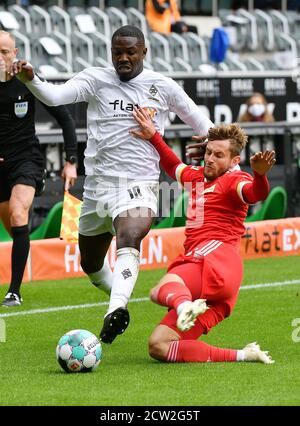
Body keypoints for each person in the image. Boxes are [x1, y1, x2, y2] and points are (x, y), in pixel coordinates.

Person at [10, 25, 213, 343]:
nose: (124, 58)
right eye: (117, 52)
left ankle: (114, 309)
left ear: (144, 52)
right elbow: (55, 95)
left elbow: (203, 123)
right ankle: (121, 298)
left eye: (131, 51)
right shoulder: (95, 79)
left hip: (139, 183)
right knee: (90, 263)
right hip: (96, 188)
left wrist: (216, 145)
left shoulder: (163, 87)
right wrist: (32, 79)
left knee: (130, 233)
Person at [131, 107, 275, 364]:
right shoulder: (197, 178)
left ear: (233, 161)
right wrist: (153, 136)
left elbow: (255, 193)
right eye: (208, 152)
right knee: (159, 346)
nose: (209, 158)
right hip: (222, 285)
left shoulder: (234, 180)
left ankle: (185, 305)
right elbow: (173, 165)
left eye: (218, 155)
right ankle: (245, 355)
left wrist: (260, 175)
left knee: (159, 290)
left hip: (215, 258)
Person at [0, 30, 78, 307]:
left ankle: (14, 291)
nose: (0, 58)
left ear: (15, 53)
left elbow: (65, 117)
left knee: (18, 212)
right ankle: (25, 241)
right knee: (14, 228)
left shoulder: (27, 80)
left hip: (26, 159)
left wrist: (71, 161)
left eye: (4, 52)